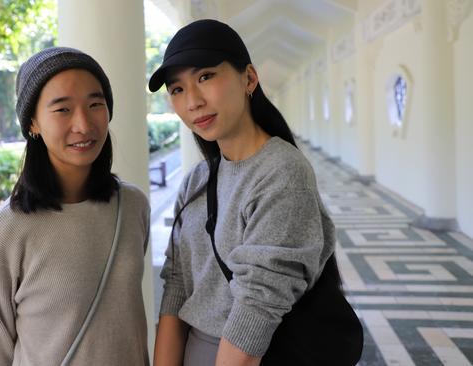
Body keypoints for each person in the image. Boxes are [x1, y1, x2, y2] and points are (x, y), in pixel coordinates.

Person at [149, 19, 362, 366]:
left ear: (249, 78)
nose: (193, 101)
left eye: (205, 77)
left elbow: (255, 313)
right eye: (177, 89)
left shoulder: (281, 172)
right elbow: (177, 284)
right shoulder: (196, 180)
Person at [0, 47, 150, 365]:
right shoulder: (2, 235)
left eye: (95, 104)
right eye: (63, 109)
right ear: (33, 123)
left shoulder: (133, 206)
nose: (83, 123)